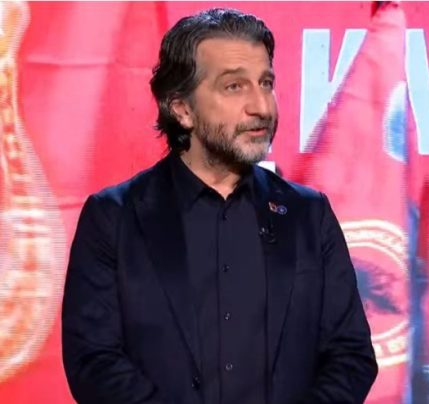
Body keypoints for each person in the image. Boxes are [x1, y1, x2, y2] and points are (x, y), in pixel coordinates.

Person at [61, 7, 377, 404]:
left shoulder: (308, 215)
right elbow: (94, 362)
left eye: (266, 83)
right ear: (182, 109)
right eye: (234, 86)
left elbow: (351, 356)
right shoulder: (115, 218)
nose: (261, 106)